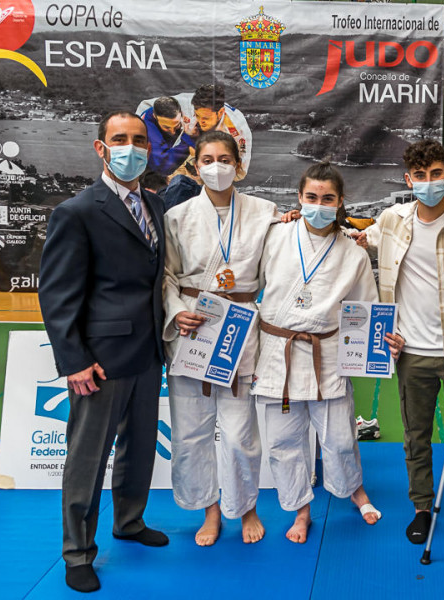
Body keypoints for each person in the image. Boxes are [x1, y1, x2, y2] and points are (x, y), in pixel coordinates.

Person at [38, 111, 167, 593]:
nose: (130, 147)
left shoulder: (153, 205)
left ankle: (129, 521)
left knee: (139, 448)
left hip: (148, 350)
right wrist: (73, 360)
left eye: (138, 140)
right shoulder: (77, 211)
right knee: (87, 459)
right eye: (120, 139)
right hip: (99, 359)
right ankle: (77, 552)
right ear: (100, 148)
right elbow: (56, 294)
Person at [355, 139, 444, 543]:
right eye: (420, 176)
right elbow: (350, 237)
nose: (429, 182)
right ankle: (422, 505)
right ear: (409, 179)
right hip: (410, 352)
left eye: (436, 174)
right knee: (415, 435)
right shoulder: (391, 220)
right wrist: (299, 218)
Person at [251, 161, 381, 544]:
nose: (319, 204)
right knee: (284, 442)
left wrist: (374, 346)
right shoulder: (275, 236)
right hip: (279, 352)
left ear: (340, 202)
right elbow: (248, 284)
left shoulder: (354, 254)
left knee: (340, 438)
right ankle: (301, 510)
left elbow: (365, 310)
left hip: (327, 353)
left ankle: (354, 490)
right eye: (311, 197)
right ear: (299, 198)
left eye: (327, 198)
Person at [163, 131, 279, 547]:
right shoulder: (176, 216)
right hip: (193, 328)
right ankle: (210, 510)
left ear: (239, 165)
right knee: (192, 431)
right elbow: (167, 277)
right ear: (195, 166)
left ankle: (246, 507)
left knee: (238, 432)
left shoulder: (266, 212)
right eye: (208, 159)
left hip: (239, 328)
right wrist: (177, 312)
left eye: (225, 158)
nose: (217, 166)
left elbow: (281, 269)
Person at [141, 96, 195, 177]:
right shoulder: (148, 129)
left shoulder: (185, 111)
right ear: (154, 117)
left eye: (176, 125)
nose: (173, 132)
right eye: (166, 127)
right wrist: (188, 138)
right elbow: (164, 166)